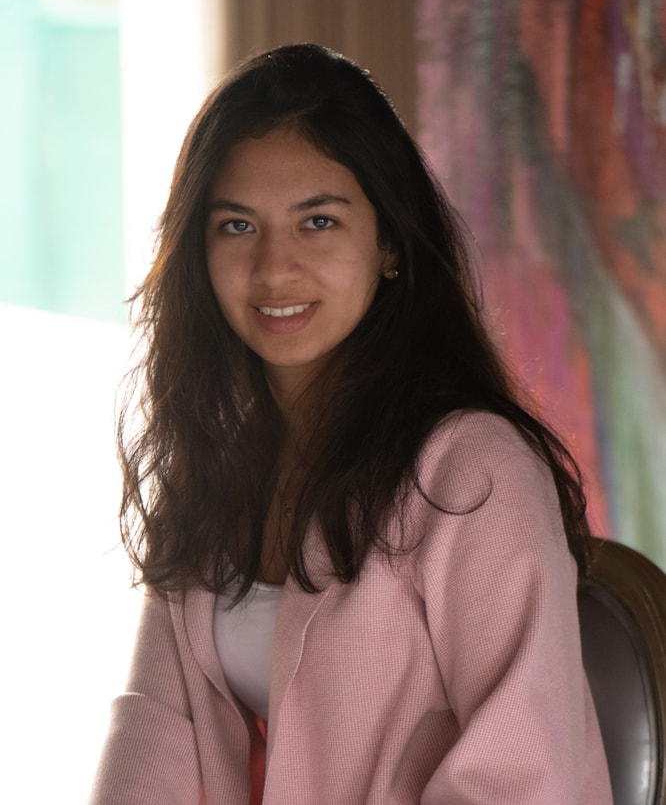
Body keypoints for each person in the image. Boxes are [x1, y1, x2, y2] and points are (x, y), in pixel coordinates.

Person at [89, 44, 612, 804]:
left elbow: (526, 776)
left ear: (390, 241)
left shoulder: (474, 471)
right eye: (237, 227)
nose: (274, 270)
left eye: (318, 221)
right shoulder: (213, 471)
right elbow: (153, 730)